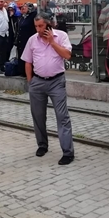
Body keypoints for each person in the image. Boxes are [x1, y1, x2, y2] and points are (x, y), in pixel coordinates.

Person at [21, 12, 75, 165]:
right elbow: (27, 62)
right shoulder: (32, 40)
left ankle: (68, 152)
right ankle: (42, 145)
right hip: (37, 82)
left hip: (56, 81)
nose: (38, 29)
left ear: (48, 25)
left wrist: (52, 42)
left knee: (62, 116)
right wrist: (30, 81)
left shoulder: (61, 36)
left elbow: (67, 55)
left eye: (41, 26)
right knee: (38, 116)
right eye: (36, 26)